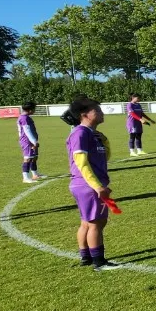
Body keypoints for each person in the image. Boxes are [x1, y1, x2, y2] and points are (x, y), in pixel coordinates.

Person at [63, 98, 118, 270]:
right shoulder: (80, 133)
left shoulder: (93, 134)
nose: (101, 113)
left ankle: (86, 257)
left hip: (88, 185)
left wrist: (105, 141)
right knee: (97, 223)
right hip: (88, 185)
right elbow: (82, 163)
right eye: (97, 110)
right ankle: (99, 262)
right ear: (84, 114)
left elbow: (104, 157)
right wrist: (98, 187)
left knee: (87, 222)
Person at [18, 101, 46, 183]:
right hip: (27, 141)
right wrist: (34, 141)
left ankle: (35, 174)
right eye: (34, 109)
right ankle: (25, 178)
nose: (35, 110)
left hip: (31, 140)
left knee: (34, 157)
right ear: (30, 110)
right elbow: (27, 131)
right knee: (28, 158)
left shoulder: (27, 117)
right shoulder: (24, 118)